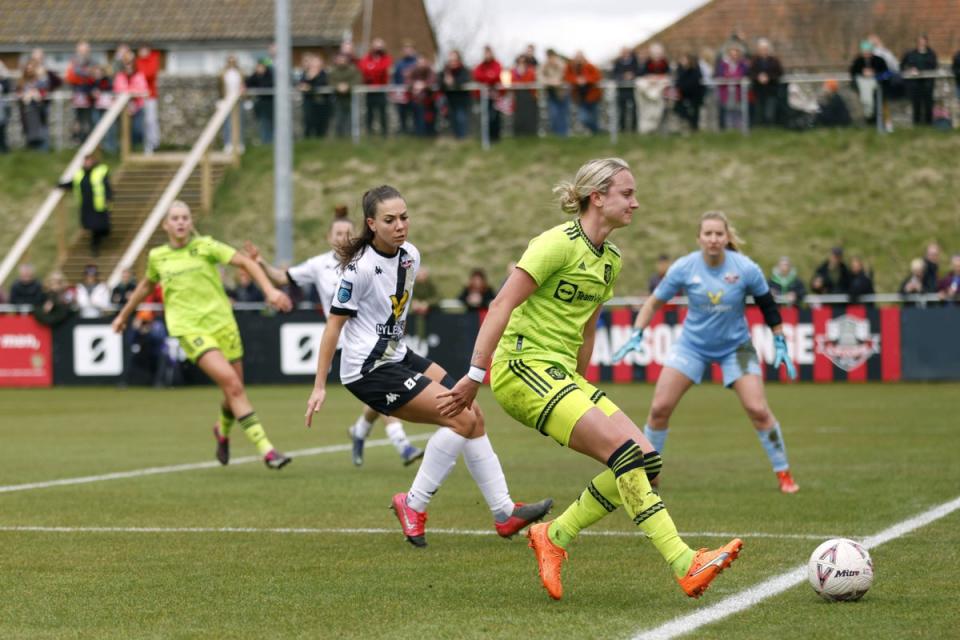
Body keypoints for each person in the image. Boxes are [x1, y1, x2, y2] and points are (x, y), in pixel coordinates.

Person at [438, 160, 742, 602]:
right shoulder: (554, 244)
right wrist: (474, 376)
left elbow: (587, 326)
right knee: (623, 456)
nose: (636, 203)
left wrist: (579, 389)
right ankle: (684, 561)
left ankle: (555, 535)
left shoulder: (611, 260)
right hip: (522, 369)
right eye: (627, 193)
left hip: (561, 376)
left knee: (647, 461)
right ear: (597, 196)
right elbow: (501, 304)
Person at [304, 185, 553, 548]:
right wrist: (319, 385)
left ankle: (504, 513)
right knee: (461, 419)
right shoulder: (358, 270)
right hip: (367, 369)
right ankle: (414, 503)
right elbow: (333, 327)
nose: (400, 225)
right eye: (390, 220)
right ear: (371, 224)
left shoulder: (411, 256)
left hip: (397, 354)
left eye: (404, 217)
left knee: (472, 413)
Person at [613, 211, 799, 496]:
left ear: (727, 238)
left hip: (736, 348)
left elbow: (768, 307)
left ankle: (784, 473)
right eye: (708, 234)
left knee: (758, 410)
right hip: (692, 347)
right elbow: (653, 303)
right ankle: (650, 476)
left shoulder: (746, 267)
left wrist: (780, 340)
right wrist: (637, 333)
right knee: (659, 408)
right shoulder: (685, 267)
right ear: (699, 238)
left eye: (719, 234)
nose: (713, 239)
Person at [112, 200, 294, 469]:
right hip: (190, 330)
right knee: (232, 385)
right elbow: (144, 287)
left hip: (223, 325)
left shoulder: (205, 246)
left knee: (233, 389)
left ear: (191, 222)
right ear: (165, 225)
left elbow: (246, 263)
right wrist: (123, 316)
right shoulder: (158, 257)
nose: (181, 222)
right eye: (175, 218)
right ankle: (267, 450)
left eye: (185, 217)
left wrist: (270, 291)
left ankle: (222, 430)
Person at [246, 213, 424, 467]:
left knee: (382, 395)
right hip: (349, 343)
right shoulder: (318, 265)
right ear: (329, 238)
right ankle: (402, 445)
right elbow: (281, 278)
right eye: (338, 233)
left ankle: (360, 431)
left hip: (382, 340)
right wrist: (260, 262)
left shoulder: (370, 259)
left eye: (347, 232)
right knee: (386, 389)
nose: (343, 237)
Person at [59, 153, 112, 256]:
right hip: (87, 205)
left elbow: (106, 185)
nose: (87, 163)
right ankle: (94, 246)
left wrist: (108, 198)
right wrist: (61, 185)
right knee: (93, 227)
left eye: (89, 161)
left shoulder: (100, 171)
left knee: (101, 226)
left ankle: (97, 243)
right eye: (85, 161)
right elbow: (74, 183)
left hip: (99, 205)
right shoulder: (80, 174)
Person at [357, 38, 392, 137]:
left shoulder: (386, 58)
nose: (378, 48)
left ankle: (385, 135)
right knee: (369, 114)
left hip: (382, 90)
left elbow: (383, 69)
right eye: (376, 46)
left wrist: (373, 70)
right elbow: (363, 69)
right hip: (369, 91)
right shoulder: (366, 58)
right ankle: (369, 134)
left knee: (383, 113)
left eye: (380, 46)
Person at [901, 35, 938, 126]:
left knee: (928, 104)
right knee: (916, 104)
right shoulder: (910, 54)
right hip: (914, 83)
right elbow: (902, 66)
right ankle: (916, 124)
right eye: (919, 41)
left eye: (923, 41)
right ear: (917, 42)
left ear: (926, 42)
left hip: (928, 83)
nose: (921, 43)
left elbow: (934, 66)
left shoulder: (931, 54)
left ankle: (928, 124)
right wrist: (910, 69)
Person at [850, 41, 889, 126]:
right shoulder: (858, 61)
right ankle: (868, 115)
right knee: (866, 98)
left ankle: (873, 118)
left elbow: (886, 72)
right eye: (865, 51)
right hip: (862, 83)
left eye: (868, 51)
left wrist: (874, 73)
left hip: (877, 83)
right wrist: (862, 72)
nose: (866, 53)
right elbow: (853, 72)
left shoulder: (879, 60)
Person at [65, 41, 96, 143]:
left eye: (86, 49)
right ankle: (76, 138)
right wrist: (88, 72)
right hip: (77, 93)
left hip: (88, 93)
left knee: (88, 118)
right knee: (77, 117)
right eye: (83, 49)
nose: (85, 52)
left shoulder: (91, 60)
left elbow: (96, 72)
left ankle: (87, 139)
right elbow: (75, 72)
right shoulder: (74, 60)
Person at [564, 51, 602, 134]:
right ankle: (597, 131)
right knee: (583, 118)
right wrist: (577, 80)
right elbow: (567, 77)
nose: (578, 59)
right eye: (577, 57)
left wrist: (586, 80)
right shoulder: (570, 67)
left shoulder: (590, 66)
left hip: (593, 96)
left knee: (594, 117)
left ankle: (596, 134)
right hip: (580, 98)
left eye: (580, 57)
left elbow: (597, 77)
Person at [749, 38, 783, 127]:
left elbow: (779, 72)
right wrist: (758, 77)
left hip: (771, 89)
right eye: (761, 49)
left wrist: (768, 77)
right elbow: (750, 73)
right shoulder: (754, 61)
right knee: (759, 111)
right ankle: (760, 129)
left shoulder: (774, 61)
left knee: (769, 112)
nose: (763, 51)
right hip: (758, 90)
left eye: (765, 49)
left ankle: (770, 128)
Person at [473, 46, 503, 142]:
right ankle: (487, 137)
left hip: (495, 97)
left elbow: (496, 75)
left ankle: (496, 138)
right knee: (486, 118)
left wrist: (487, 78)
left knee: (496, 117)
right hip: (484, 97)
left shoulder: (497, 64)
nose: (487, 55)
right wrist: (489, 76)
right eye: (486, 53)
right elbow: (477, 75)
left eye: (489, 53)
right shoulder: (480, 65)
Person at [439, 50, 471, 139]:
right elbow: (439, 83)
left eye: (454, 59)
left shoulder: (464, 70)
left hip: (461, 101)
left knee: (461, 119)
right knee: (452, 120)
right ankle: (456, 138)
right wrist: (445, 82)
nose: (452, 62)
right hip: (450, 100)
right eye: (451, 60)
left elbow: (464, 81)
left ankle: (463, 138)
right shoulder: (445, 71)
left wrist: (453, 82)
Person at [328, 52, 361, 138]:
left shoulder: (353, 69)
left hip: (350, 98)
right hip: (338, 98)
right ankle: (339, 138)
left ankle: (350, 137)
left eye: (343, 59)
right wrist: (338, 86)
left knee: (351, 118)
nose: (341, 61)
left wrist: (347, 86)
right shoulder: (333, 71)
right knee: (338, 118)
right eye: (339, 59)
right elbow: (330, 81)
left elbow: (357, 80)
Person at [298, 53, 330, 139]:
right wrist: (309, 80)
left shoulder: (324, 74)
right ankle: (307, 141)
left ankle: (320, 142)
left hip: (322, 103)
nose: (315, 66)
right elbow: (301, 85)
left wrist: (310, 85)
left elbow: (321, 84)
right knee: (308, 122)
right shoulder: (305, 74)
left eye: (317, 63)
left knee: (321, 124)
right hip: (309, 102)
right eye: (314, 63)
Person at [136, 45, 161, 153]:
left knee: (151, 120)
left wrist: (139, 75)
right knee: (143, 122)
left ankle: (154, 142)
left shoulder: (153, 60)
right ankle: (147, 145)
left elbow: (149, 74)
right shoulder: (137, 61)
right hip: (138, 96)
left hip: (150, 95)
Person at [541, 49, 569, 137]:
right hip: (551, 92)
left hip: (562, 93)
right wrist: (550, 82)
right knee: (554, 114)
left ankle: (563, 135)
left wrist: (559, 81)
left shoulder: (562, 64)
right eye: (549, 57)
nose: (551, 59)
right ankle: (557, 133)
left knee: (563, 114)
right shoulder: (544, 66)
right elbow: (540, 77)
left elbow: (566, 75)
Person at [220, 55, 245, 152]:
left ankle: (239, 143)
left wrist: (245, 98)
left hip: (238, 99)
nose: (231, 63)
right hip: (227, 100)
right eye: (230, 61)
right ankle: (228, 143)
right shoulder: (223, 74)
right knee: (227, 123)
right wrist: (221, 99)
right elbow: (220, 87)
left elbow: (243, 86)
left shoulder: (240, 73)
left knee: (239, 122)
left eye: (233, 61)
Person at [612, 46, 640, 133]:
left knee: (635, 108)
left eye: (627, 52)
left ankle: (634, 128)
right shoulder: (617, 62)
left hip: (633, 89)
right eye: (623, 52)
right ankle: (622, 128)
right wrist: (623, 76)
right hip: (622, 89)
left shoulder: (634, 61)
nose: (625, 54)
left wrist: (632, 75)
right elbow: (614, 75)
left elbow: (638, 72)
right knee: (622, 109)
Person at [673, 53, 704, 131]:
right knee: (677, 109)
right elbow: (678, 82)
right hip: (682, 94)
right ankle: (689, 122)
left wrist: (681, 86)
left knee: (695, 112)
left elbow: (693, 83)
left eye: (684, 59)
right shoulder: (680, 69)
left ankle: (694, 128)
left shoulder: (695, 69)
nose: (682, 61)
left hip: (695, 94)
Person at [246, 60, 274, 144]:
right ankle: (265, 141)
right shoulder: (255, 76)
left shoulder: (269, 75)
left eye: (261, 67)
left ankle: (270, 141)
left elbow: (268, 85)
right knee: (263, 122)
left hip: (269, 103)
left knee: (270, 123)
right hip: (260, 104)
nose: (259, 69)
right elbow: (248, 83)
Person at [511, 54, 538, 136]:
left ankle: (530, 134)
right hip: (518, 97)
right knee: (518, 117)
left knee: (529, 117)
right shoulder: (513, 72)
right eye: (520, 61)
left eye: (524, 62)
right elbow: (512, 83)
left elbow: (531, 82)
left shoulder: (530, 71)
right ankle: (518, 134)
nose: (522, 63)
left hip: (528, 97)